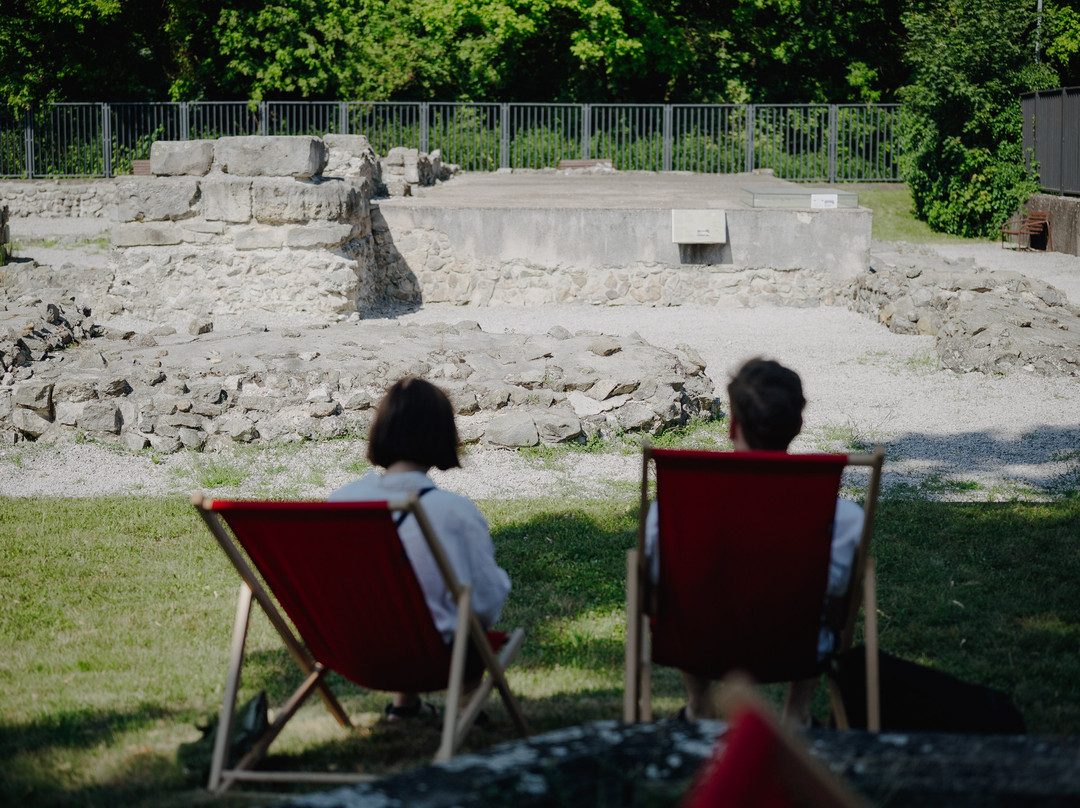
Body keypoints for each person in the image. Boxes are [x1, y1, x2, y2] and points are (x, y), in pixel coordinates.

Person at [643, 357, 864, 727]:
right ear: (797, 426)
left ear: (732, 425)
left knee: (682, 597)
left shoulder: (671, 514)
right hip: (796, 647)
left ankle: (699, 707)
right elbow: (838, 594)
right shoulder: (841, 520)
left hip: (696, 642)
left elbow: (656, 580)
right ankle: (796, 716)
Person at [329, 376, 511, 721]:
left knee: (393, 601)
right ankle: (464, 714)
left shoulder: (341, 502)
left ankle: (405, 708)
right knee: (457, 619)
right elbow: (486, 603)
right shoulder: (454, 511)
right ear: (443, 436)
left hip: (350, 652)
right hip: (432, 658)